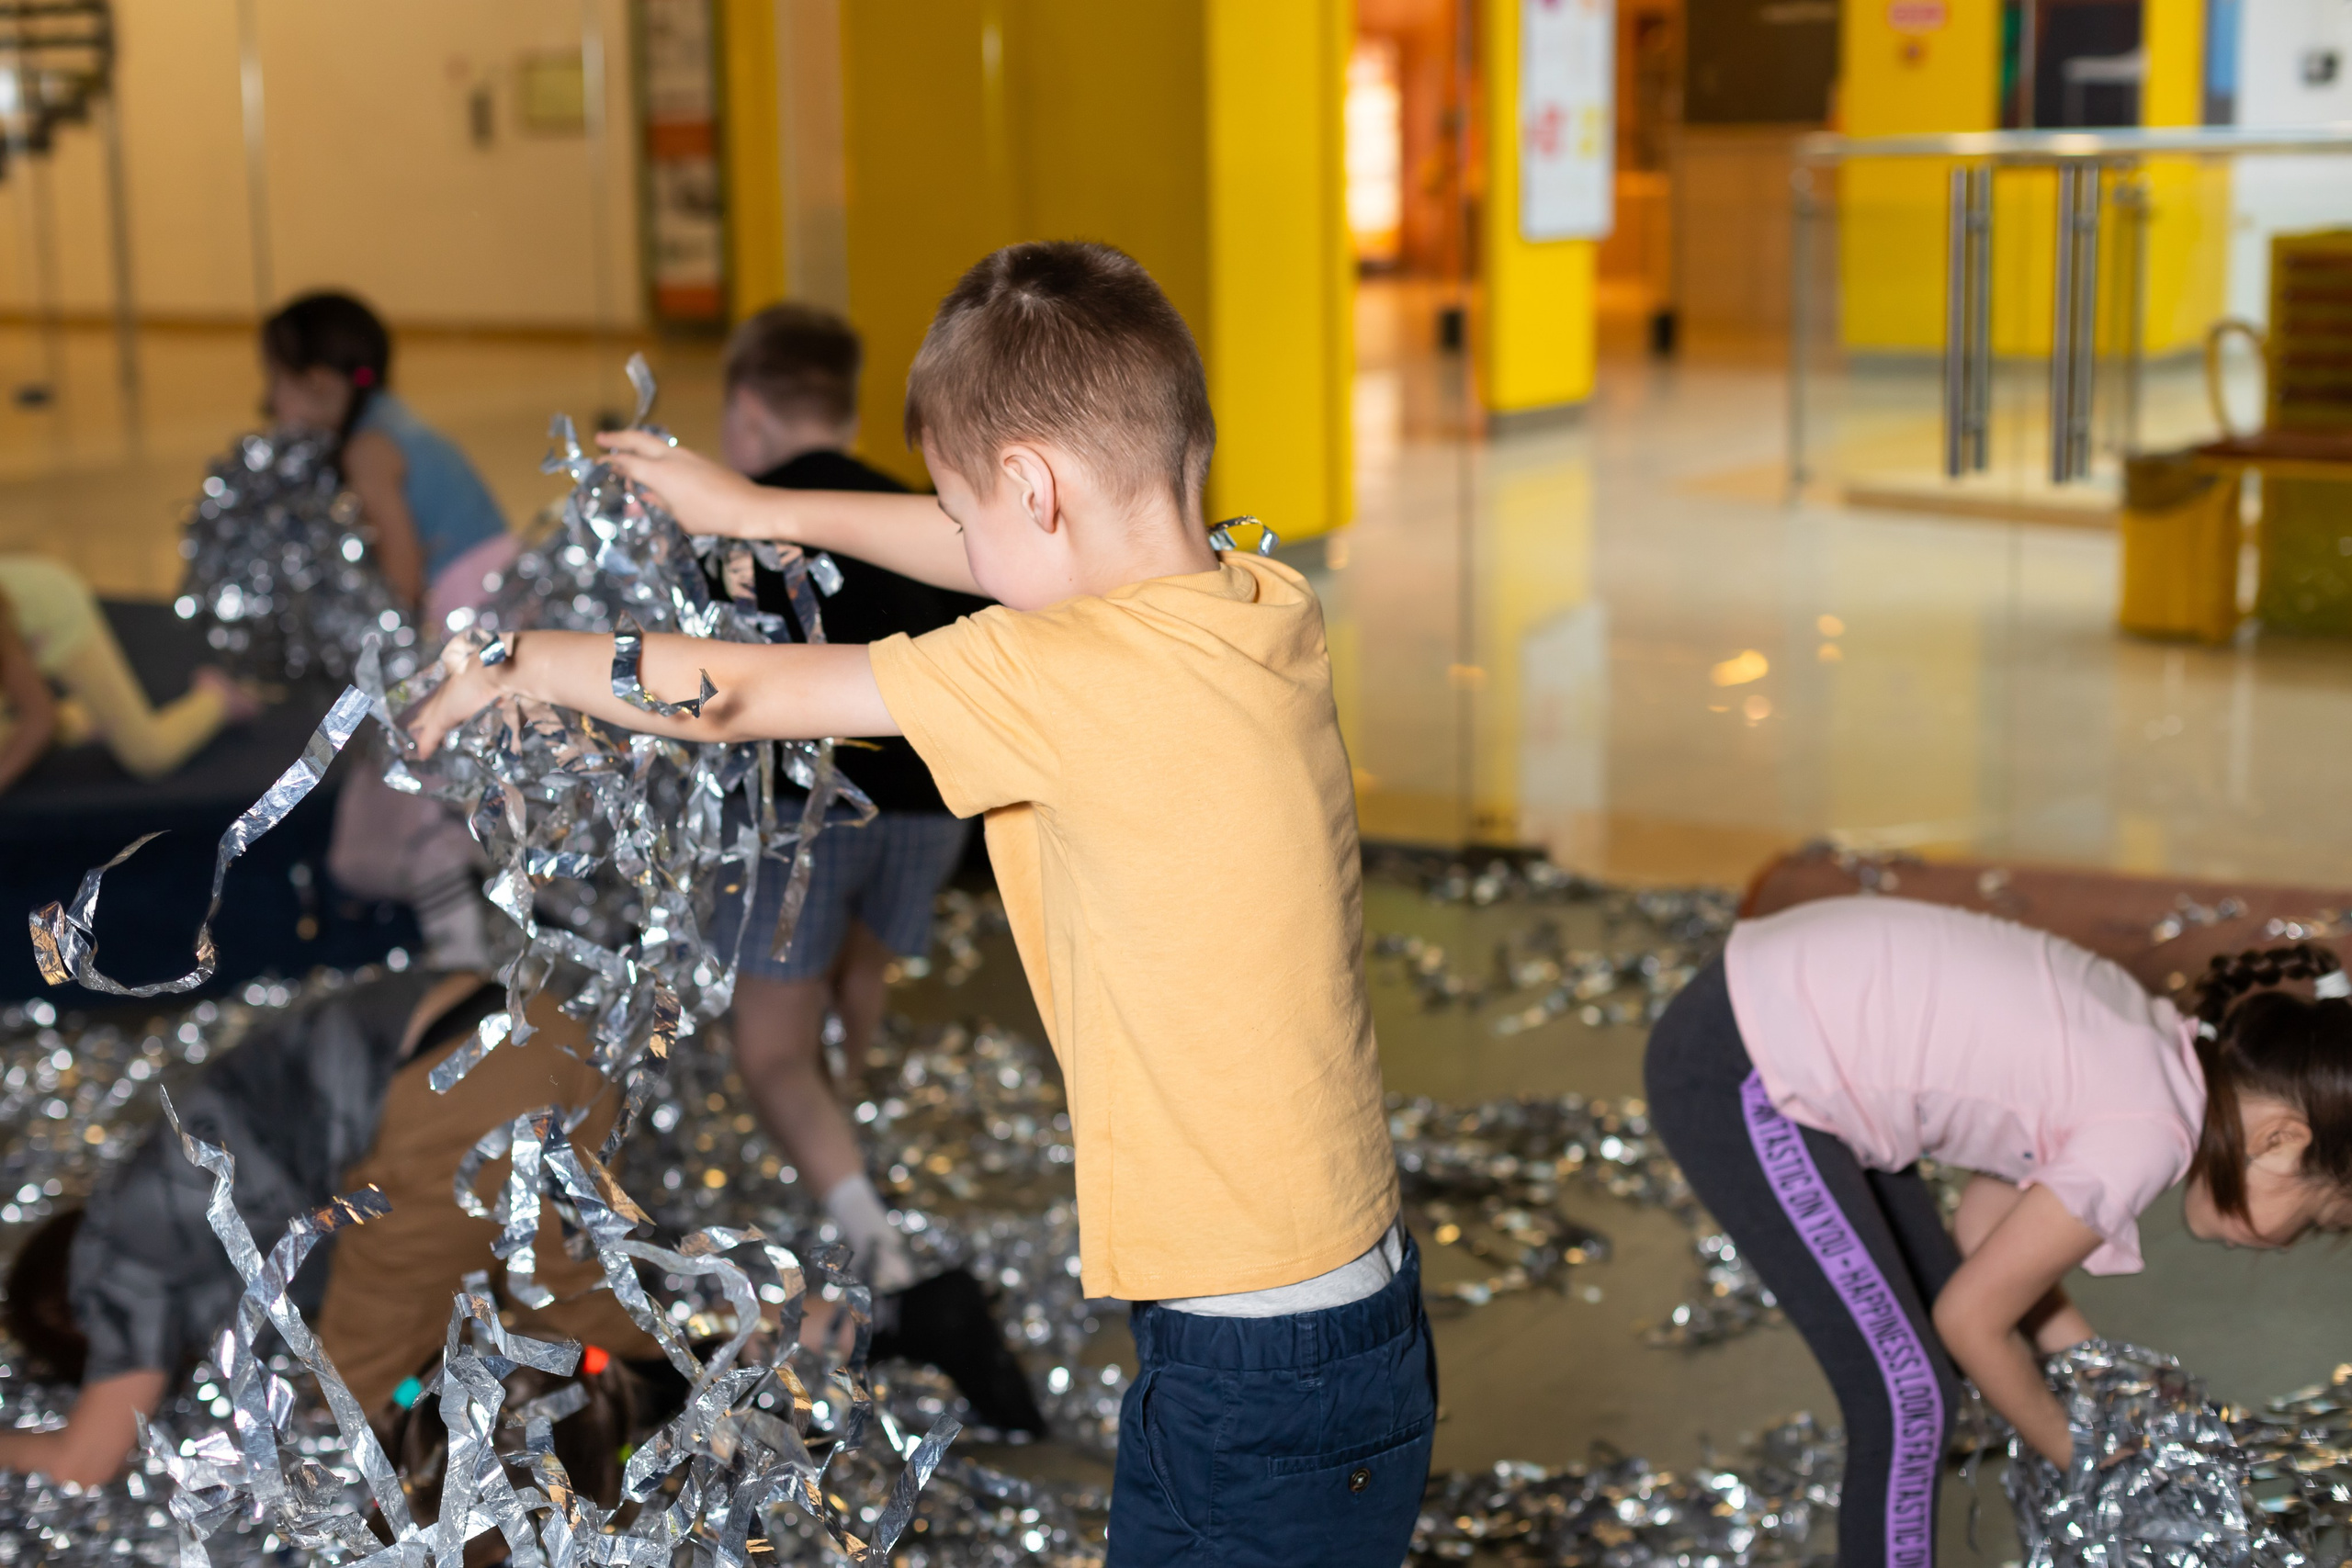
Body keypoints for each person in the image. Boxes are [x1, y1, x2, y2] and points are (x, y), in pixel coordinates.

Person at [409, 241, 1431, 1566]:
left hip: (1251, 1365)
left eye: (963, 505)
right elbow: (992, 546)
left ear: (1033, 487)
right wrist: (755, 508)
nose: (956, 537)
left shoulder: (1064, 675)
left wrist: (524, 660)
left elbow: (743, 694)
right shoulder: (1255, 601)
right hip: (1344, 1303)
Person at [1643, 895, 2352, 1568]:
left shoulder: (2154, 1054)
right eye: (2316, 1217)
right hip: (1746, 1061)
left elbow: (1986, 1230)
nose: (2290, 1242)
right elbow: (1972, 1317)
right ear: (2282, 1140)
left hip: (1771, 1020)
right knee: (1909, 1396)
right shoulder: (2147, 1132)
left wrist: (2105, 1388)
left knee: (1930, 1346)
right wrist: (2090, 1459)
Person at [0, 971, 660, 1487]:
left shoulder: (115, 1258)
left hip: (452, 1098)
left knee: (365, 1395)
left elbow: (85, 1459)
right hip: (546, 1037)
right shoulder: (176, 1210)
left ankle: (502, 1514)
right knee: (576, 1302)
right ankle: (670, 1407)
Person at [710, 302, 988, 1295]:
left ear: (748, 410)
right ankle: (838, 1161)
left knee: (772, 1048)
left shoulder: (744, 523)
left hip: (810, 809)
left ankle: (871, 1242)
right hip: (934, 804)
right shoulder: (912, 515)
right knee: (855, 976)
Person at [258, 291, 514, 971]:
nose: (269, 399)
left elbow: (401, 575)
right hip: (493, 601)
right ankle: (475, 913)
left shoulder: (369, 449)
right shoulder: (391, 422)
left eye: (278, 380)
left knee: (416, 774)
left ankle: (461, 944)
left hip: (467, 619)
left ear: (320, 385)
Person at [0, 553, 262, 795]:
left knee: (149, 755)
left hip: (52, 614)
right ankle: (79, 720)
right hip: (18, 628)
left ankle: (218, 696)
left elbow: (40, 718)